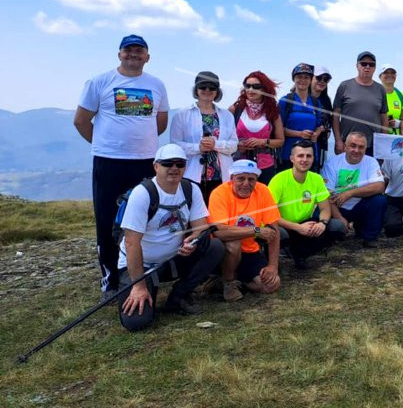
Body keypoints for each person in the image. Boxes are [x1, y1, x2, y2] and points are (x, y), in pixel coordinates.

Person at [74, 34, 170, 299]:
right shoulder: (100, 81)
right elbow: (81, 121)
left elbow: (160, 123)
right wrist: (104, 145)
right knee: (107, 220)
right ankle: (110, 280)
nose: (133, 54)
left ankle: (141, 271)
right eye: (128, 50)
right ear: (119, 54)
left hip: (145, 162)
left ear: (147, 57)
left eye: (139, 51)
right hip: (109, 162)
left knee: (146, 218)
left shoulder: (157, 85)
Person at [116, 144, 224, 331]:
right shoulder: (142, 194)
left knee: (215, 247)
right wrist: (139, 286)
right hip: (142, 265)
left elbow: (200, 227)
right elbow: (131, 242)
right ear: (156, 166)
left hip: (175, 258)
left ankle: (179, 296)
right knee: (136, 322)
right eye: (168, 164)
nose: (174, 168)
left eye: (180, 164)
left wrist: (193, 240)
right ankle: (145, 288)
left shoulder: (191, 189)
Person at [208, 160, 282, 301]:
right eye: (241, 178)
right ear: (231, 179)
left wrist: (273, 266)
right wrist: (255, 231)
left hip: (250, 250)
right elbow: (218, 232)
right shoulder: (219, 193)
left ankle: (233, 280)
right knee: (233, 243)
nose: (246, 183)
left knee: (272, 285)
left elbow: (274, 230)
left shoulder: (263, 190)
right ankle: (228, 283)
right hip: (223, 252)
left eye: (251, 179)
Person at [268, 141, 346, 269]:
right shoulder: (278, 180)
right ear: (292, 158)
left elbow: (325, 208)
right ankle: (281, 255)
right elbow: (270, 216)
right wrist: (297, 227)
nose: (304, 160)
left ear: (313, 158)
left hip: (306, 224)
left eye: (308, 156)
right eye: (300, 156)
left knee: (337, 227)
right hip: (284, 225)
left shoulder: (316, 178)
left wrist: (322, 223)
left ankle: (299, 254)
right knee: (279, 234)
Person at [170, 71, 238, 203]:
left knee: (218, 215)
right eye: (203, 87)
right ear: (196, 89)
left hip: (222, 175)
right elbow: (175, 145)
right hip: (192, 174)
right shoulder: (181, 115)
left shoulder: (227, 115)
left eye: (212, 87)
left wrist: (215, 144)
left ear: (217, 91)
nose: (207, 90)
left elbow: (234, 145)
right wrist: (198, 147)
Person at [322, 132, 387, 248]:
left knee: (380, 200)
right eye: (353, 146)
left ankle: (369, 237)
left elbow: (380, 186)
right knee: (336, 229)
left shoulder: (371, 162)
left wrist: (350, 193)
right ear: (345, 146)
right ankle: (337, 231)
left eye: (361, 147)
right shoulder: (332, 163)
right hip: (338, 207)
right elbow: (326, 196)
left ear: (365, 149)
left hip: (360, 207)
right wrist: (339, 218)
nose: (356, 150)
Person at [228, 71, 284, 185]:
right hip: (239, 164)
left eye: (256, 86)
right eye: (247, 86)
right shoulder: (235, 109)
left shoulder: (272, 112)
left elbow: (280, 140)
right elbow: (224, 137)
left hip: (265, 166)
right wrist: (237, 145)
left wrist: (262, 142)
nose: (251, 89)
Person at [332, 51, 389, 157]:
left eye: (371, 64)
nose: (367, 67)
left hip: (372, 146)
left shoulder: (380, 89)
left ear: (375, 68)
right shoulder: (344, 86)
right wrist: (338, 140)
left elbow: (384, 117)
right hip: (348, 145)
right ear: (357, 66)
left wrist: (382, 142)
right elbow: (335, 116)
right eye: (363, 64)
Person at [279, 63, 325, 172]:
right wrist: (299, 134)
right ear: (294, 79)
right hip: (289, 154)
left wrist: (318, 132)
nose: (302, 80)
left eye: (306, 77)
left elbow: (320, 124)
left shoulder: (315, 103)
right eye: (299, 77)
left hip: (310, 153)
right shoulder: (285, 101)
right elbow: (278, 130)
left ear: (310, 80)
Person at [311, 65, 334, 172]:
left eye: (326, 79)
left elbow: (329, 121)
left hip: (320, 145)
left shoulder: (326, 101)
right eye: (319, 78)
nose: (322, 81)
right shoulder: (298, 98)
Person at [379, 63, 403, 134]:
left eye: (392, 73)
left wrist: (398, 123)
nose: (390, 75)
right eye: (386, 73)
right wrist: (385, 123)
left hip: (395, 139)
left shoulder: (402, 96)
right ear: (380, 76)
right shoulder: (374, 94)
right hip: (379, 137)